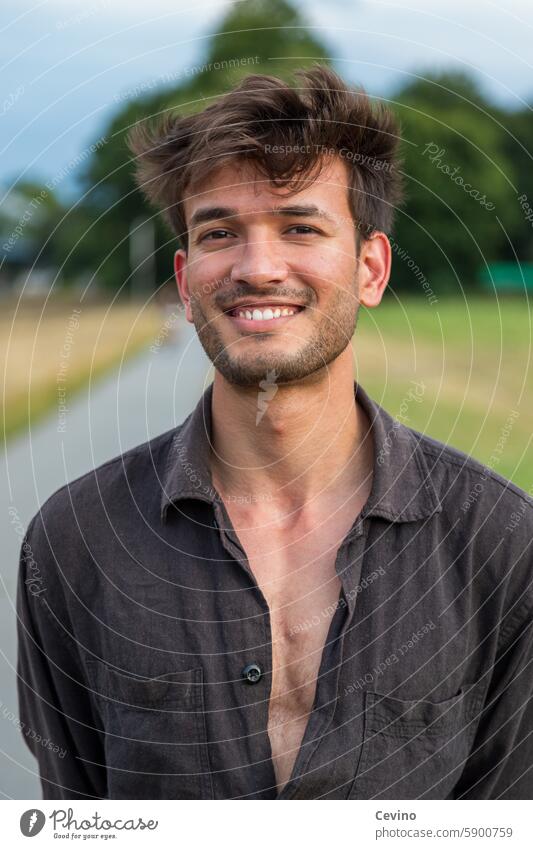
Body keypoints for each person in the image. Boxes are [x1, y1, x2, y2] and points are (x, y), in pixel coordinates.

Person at [17, 65, 533, 800]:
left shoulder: (500, 541)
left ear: (370, 269)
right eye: (220, 232)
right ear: (187, 278)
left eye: (299, 226)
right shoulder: (74, 540)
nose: (258, 268)